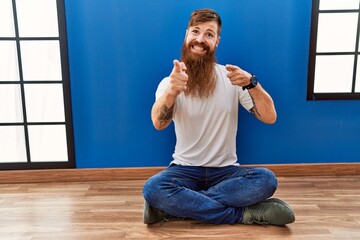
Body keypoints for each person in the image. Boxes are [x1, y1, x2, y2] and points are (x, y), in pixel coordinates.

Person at [143, 8, 295, 225]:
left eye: (209, 34)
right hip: (184, 172)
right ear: (186, 35)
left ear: (217, 42)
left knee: (266, 180)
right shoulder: (170, 83)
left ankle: (178, 209)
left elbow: (270, 117)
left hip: (227, 174)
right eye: (195, 31)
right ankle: (244, 214)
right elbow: (159, 123)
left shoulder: (232, 78)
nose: (200, 39)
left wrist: (252, 83)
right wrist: (172, 93)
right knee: (153, 188)